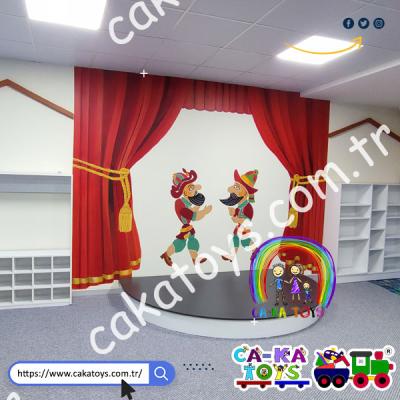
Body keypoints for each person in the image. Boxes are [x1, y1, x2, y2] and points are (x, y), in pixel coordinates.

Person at [161, 169, 212, 266]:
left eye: (193, 187)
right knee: (180, 243)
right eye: (191, 188)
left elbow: (192, 210)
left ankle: (194, 258)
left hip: (188, 226)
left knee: (191, 241)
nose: (195, 190)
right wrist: (204, 212)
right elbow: (194, 216)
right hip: (186, 226)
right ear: (184, 192)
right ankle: (167, 254)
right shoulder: (180, 204)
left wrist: (198, 207)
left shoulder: (186, 202)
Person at [220, 169, 258, 262]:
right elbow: (235, 217)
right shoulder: (240, 206)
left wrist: (237, 219)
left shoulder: (247, 207)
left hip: (243, 228)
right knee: (236, 239)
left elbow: (248, 221)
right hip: (239, 228)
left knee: (245, 241)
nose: (231, 189)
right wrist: (232, 213)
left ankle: (255, 251)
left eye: (236, 187)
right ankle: (232, 255)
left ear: (245, 192)